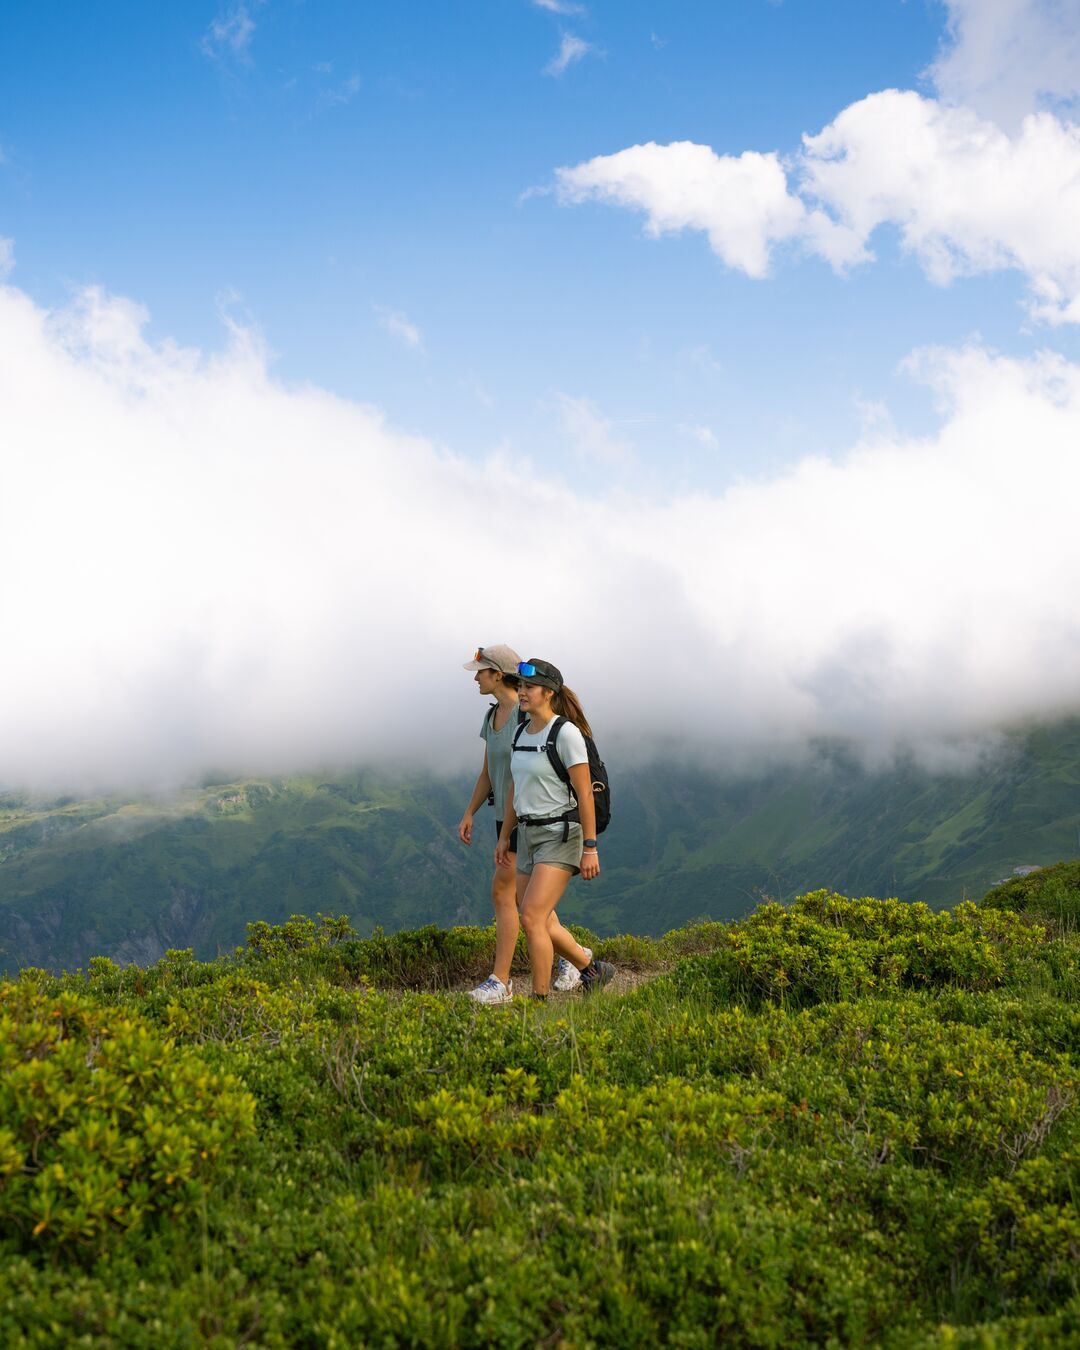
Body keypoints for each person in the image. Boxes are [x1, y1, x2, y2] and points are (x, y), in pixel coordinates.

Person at [495, 658, 615, 1000]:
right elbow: (514, 790)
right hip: (528, 834)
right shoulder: (519, 733)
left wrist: (590, 847)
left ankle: (539, 999)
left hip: (560, 835)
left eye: (528, 687)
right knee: (540, 917)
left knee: (532, 917)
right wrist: (505, 835)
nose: (521, 692)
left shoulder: (566, 734)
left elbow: (585, 795)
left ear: (548, 693)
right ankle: (592, 970)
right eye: (519, 686)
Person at [459, 644, 525, 1004]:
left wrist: (504, 831)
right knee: (526, 895)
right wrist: (470, 812)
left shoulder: (522, 716)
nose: (475, 678)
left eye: (480, 672)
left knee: (504, 893)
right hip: (504, 814)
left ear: (498, 675)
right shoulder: (492, 717)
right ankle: (576, 961)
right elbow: (489, 772)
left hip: (523, 816)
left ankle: (501, 981)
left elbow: (520, 775)